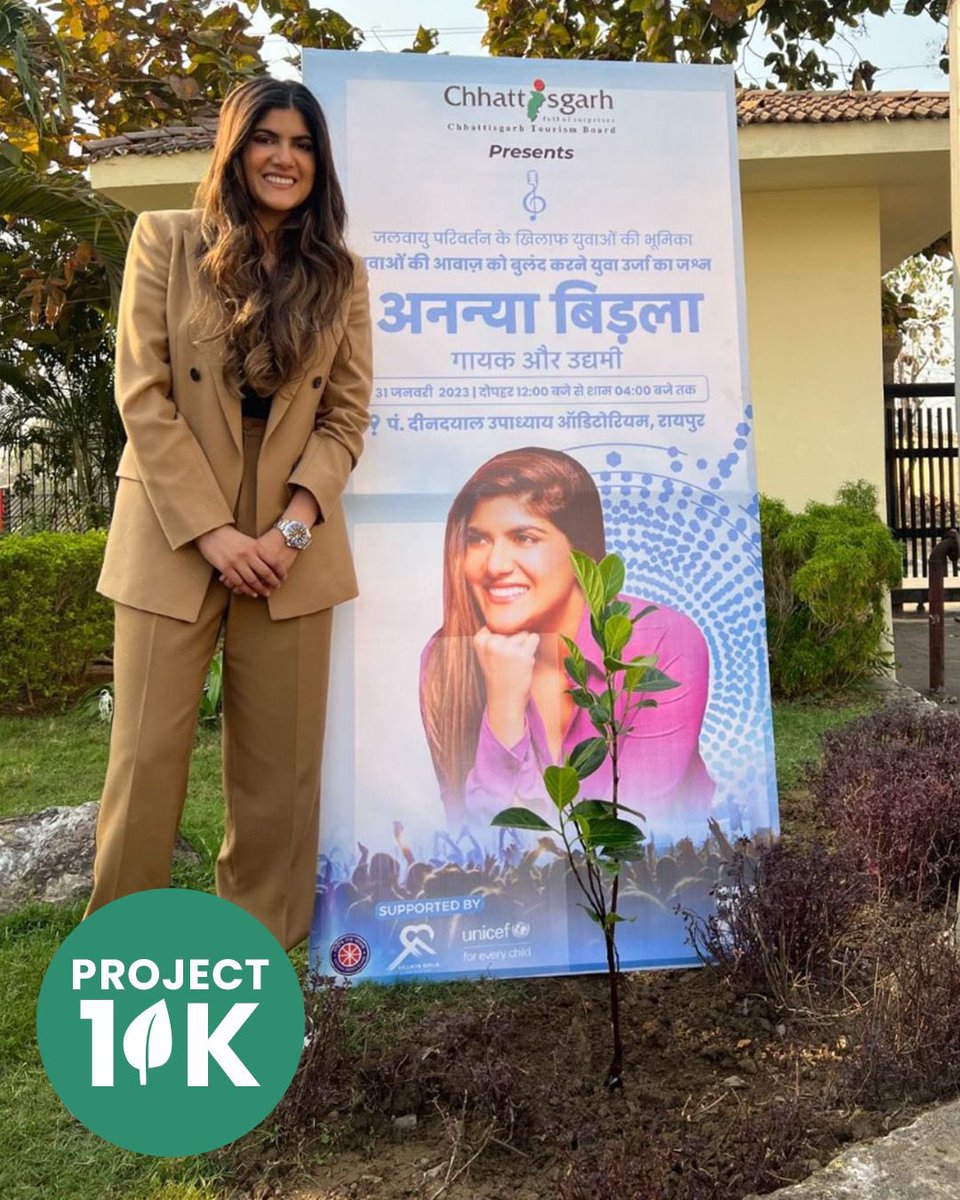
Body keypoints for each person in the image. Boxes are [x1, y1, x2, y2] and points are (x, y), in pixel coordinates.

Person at [86, 77, 372, 950]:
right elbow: (143, 393)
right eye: (266, 138)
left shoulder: (340, 274)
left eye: (303, 143)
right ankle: (122, 945)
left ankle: (255, 944)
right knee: (144, 756)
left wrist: (289, 527)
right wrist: (212, 532)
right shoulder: (163, 241)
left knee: (279, 772)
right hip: (175, 531)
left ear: (318, 164)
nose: (284, 157)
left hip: (291, 541)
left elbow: (346, 415)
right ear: (235, 149)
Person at [420, 448, 713, 829]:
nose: (494, 566)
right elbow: (476, 842)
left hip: (652, 882)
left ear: (581, 551)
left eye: (524, 537)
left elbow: (630, 829)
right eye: (477, 540)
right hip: (518, 887)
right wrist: (504, 709)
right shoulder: (447, 659)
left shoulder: (661, 642)